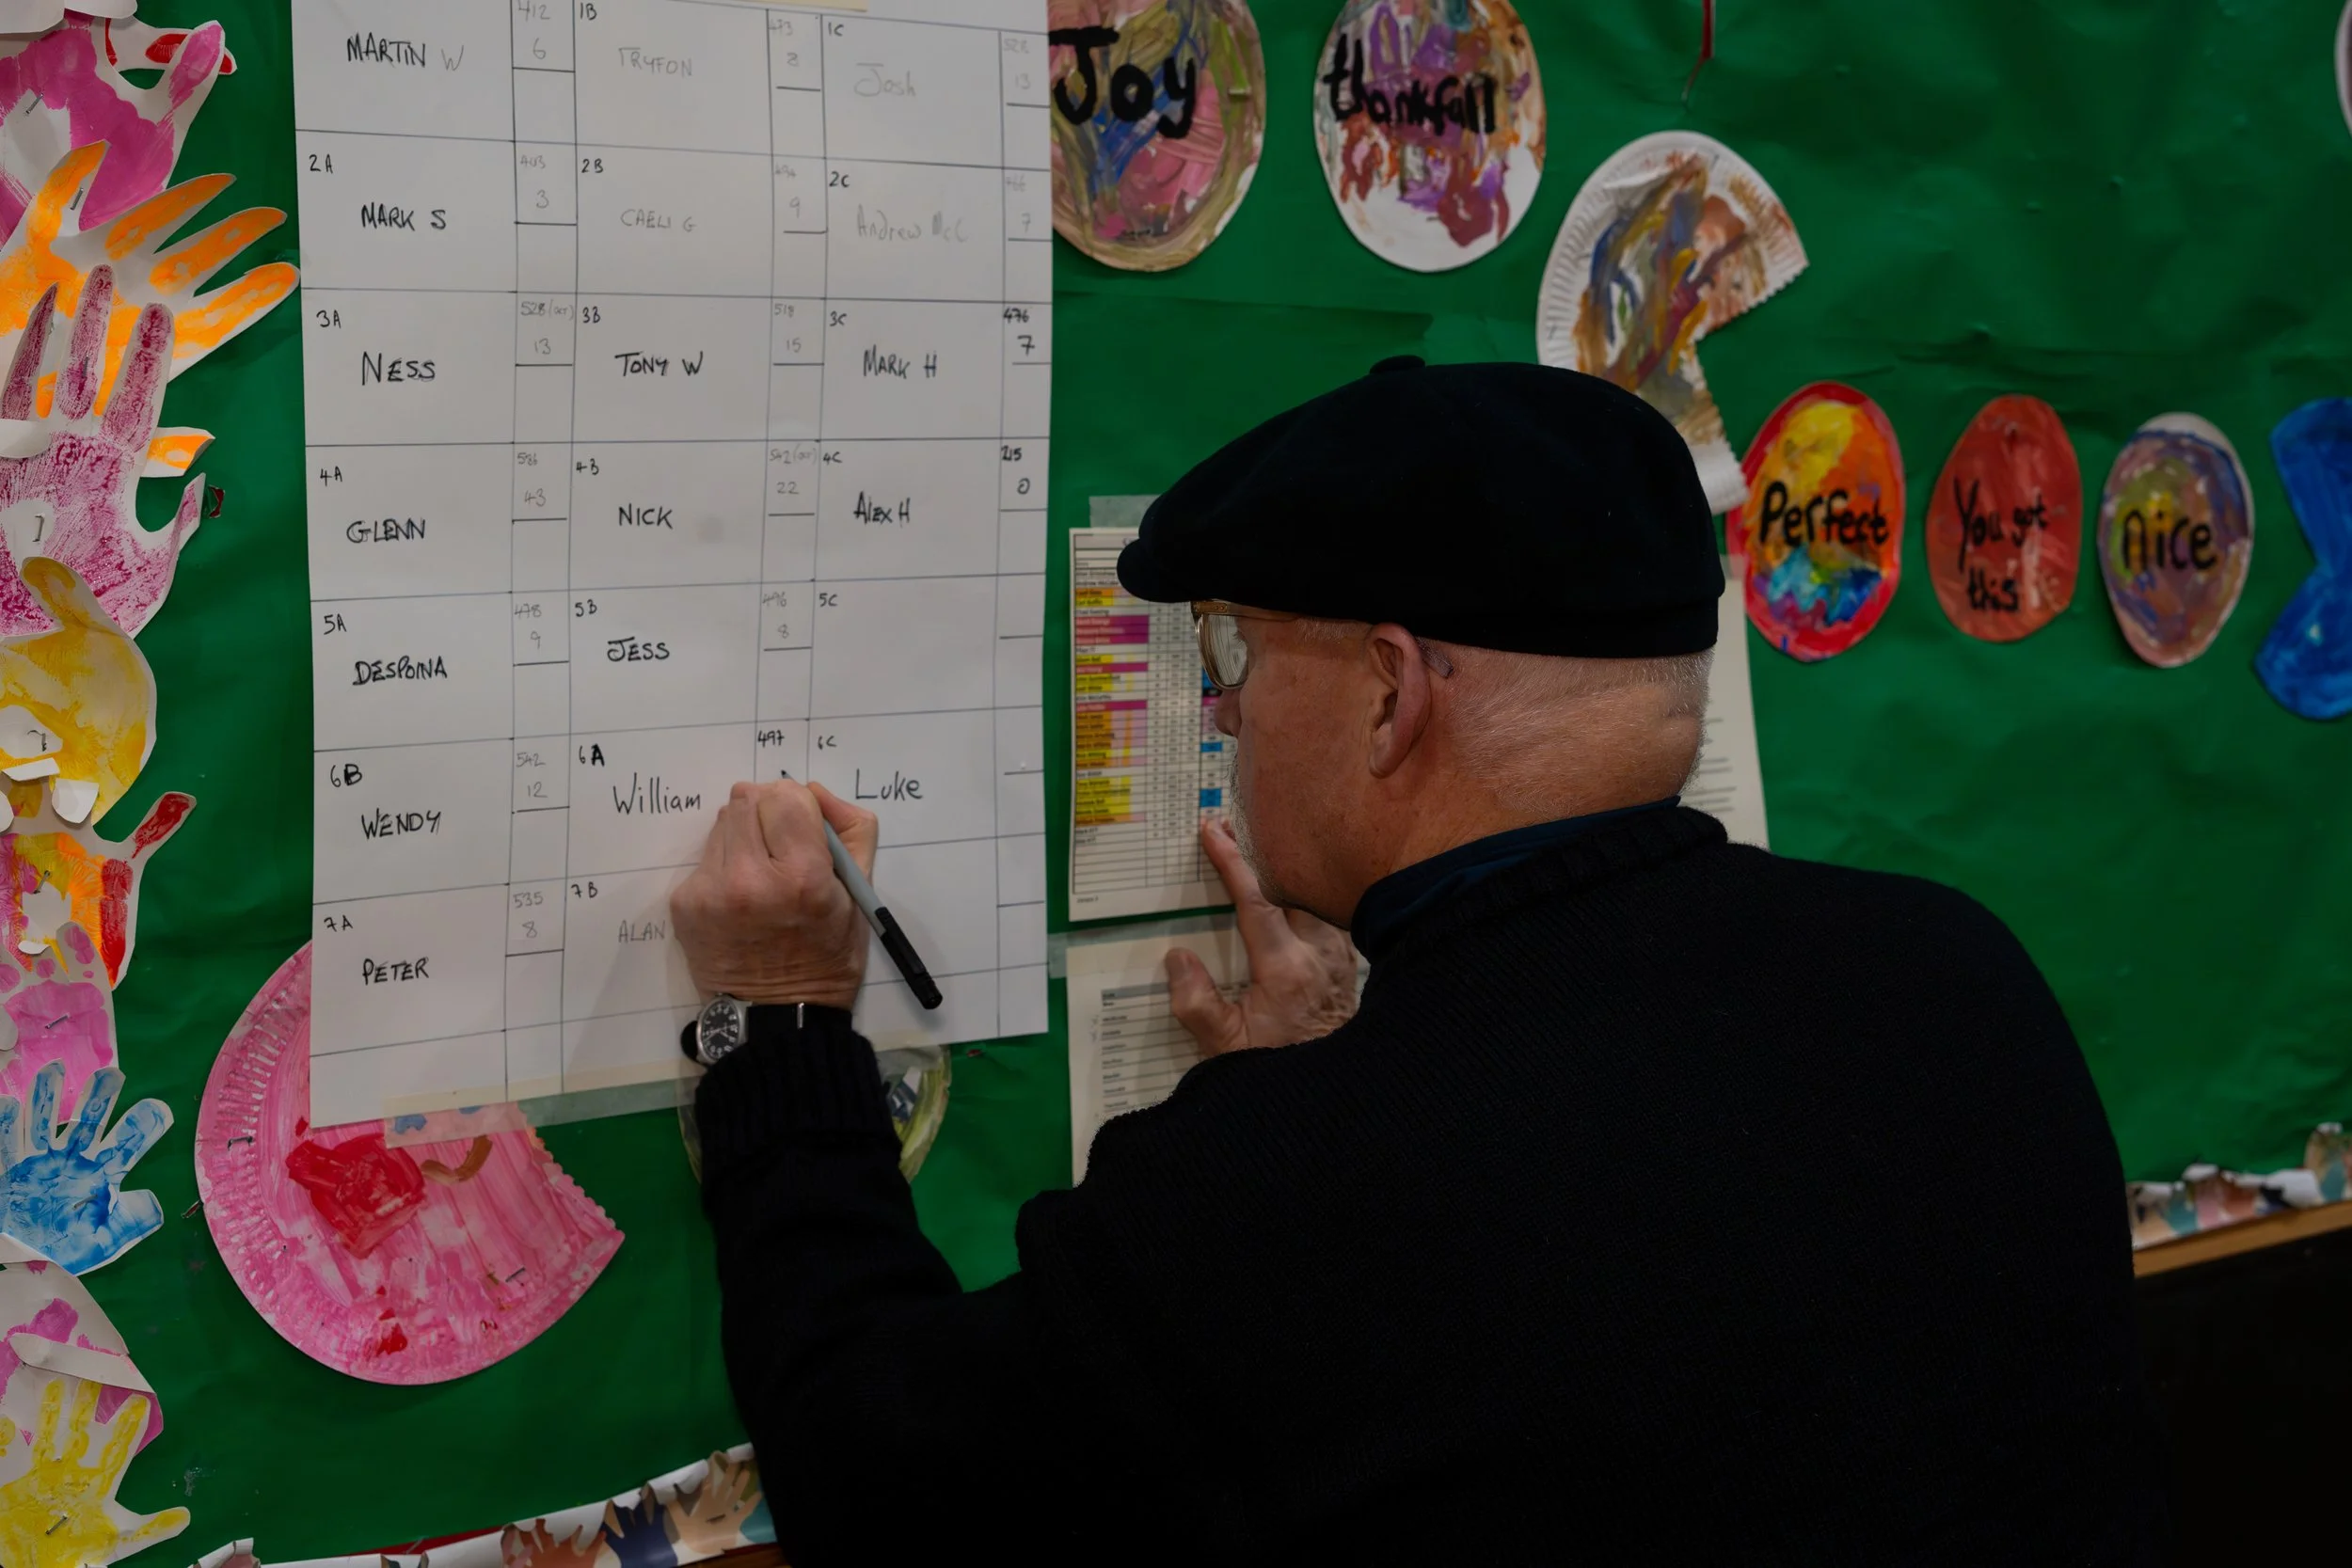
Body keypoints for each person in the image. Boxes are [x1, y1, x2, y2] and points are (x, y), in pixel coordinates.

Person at [675, 359, 2169, 1564]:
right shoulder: (1960, 976)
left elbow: (877, 1478)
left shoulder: (1294, 1197)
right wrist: (1345, 1086)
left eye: (1239, 657)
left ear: (1391, 693)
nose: (1230, 717)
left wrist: (787, 1022)